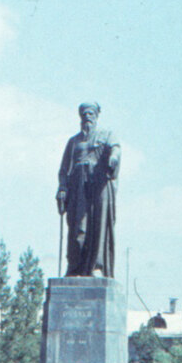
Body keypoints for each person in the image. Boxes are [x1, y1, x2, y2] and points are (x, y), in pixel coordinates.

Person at [56, 102, 120, 277]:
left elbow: (115, 148)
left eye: (91, 113)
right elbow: (63, 170)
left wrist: (114, 157)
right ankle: (74, 266)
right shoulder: (74, 141)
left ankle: (96, 267)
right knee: (78, 227)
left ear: (96, 116)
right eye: (84, 114)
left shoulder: (106, 135)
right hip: (78, 188)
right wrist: (62, 188)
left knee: (98, 226)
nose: (87, 117)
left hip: (98, 186)